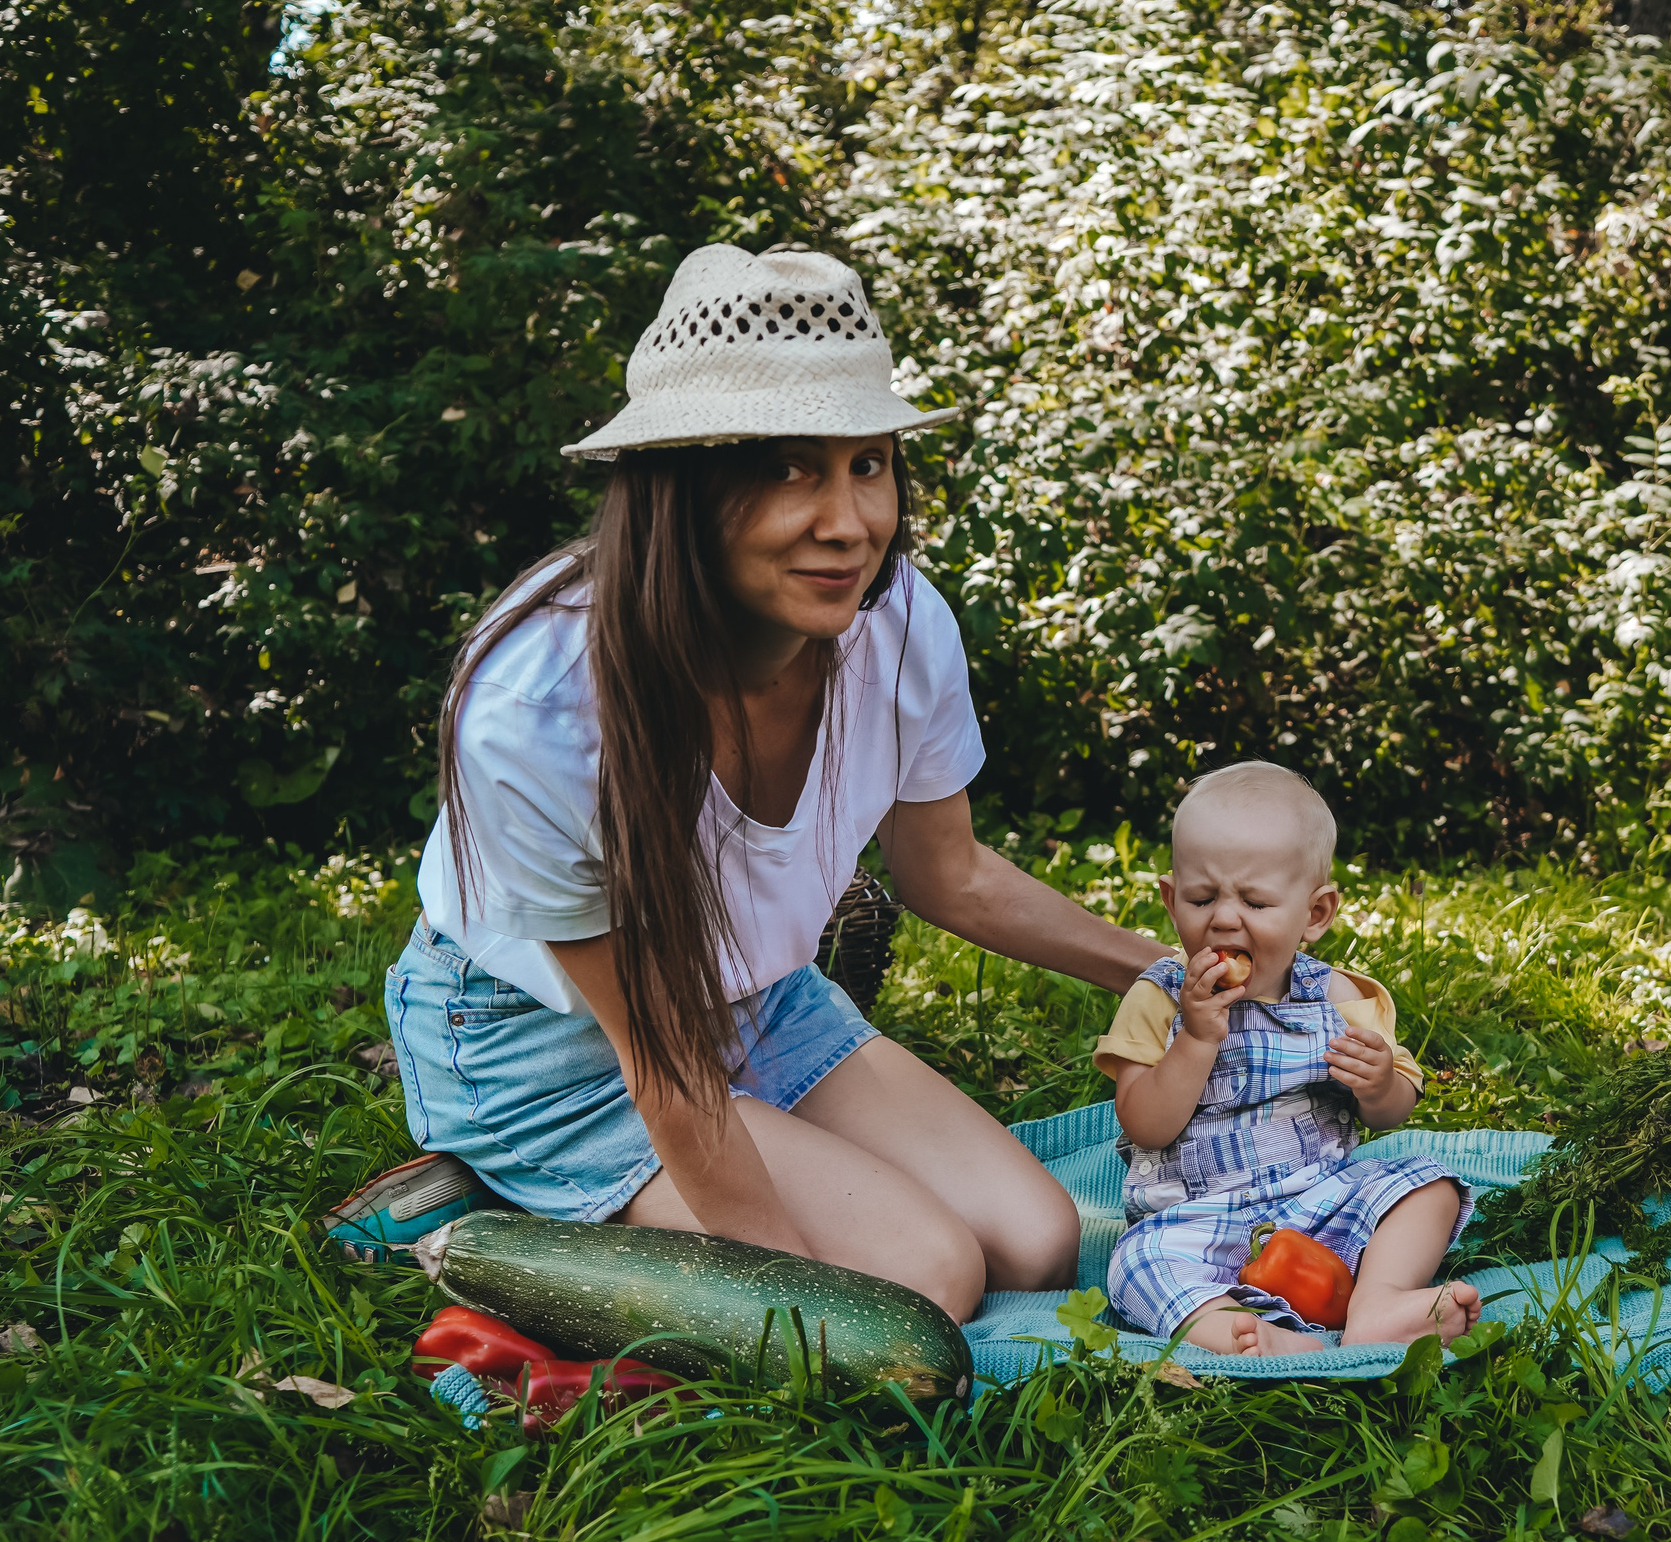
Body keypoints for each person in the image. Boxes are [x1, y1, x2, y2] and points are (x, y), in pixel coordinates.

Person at [378, 243, 1163, 1323]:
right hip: (550, 1047)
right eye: (789, 467)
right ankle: (475, 1224)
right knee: (925, 1282)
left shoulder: (897, 625)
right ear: (683, 487)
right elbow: (657, 1056)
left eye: (868, 464)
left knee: (1034, 1243)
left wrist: (1168, 970)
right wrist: (796, 1292)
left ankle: (660, 1209)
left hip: (756, 1002)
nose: (848, 522)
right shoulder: (543, 707)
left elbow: (952, 877)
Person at [1098, 763, 1481, 1355]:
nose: (1224, 918)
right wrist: (1196, 1040)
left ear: (1316, 913)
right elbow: (1144, 1123)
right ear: (1171, 902)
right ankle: (1245, 1334)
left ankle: (1379, 1300)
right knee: (1136, 1265)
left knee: (1427, 1183)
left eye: (1254, 900)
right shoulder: (1159, 999)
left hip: (1321, 1199)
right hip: (1198, 1223)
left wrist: (1379, 1084)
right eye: (1202, 898)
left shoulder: (1339, 998)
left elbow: (1392, 1110)